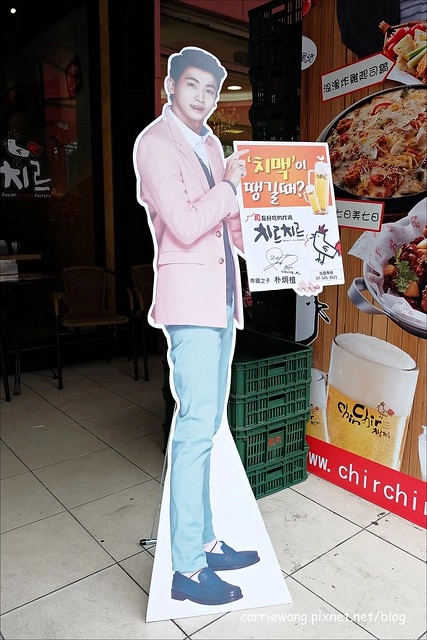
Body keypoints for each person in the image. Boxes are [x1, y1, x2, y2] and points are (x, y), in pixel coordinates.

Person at [133, 47, 259, 607]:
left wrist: (288, 262)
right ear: (171, 86)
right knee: (194, 429)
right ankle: (186, 568)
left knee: (207, 427)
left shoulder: (210, 145)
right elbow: (186, 224)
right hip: (190, 304)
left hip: (223, 299)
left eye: (211, 90)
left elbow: (228, 225)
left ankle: (204, 542)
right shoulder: (155, 144)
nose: (203, 97)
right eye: (193, 85)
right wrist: (229, 187)